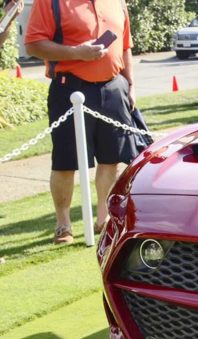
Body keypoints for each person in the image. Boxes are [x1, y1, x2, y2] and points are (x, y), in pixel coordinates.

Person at [24, 0, 138, 244]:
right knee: (66, 161)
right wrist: (76, 53)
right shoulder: (50, 2)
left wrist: (130, 84)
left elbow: (125, 45)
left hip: (113, 86)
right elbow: (33, 44)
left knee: (111, 157)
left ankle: (103, 219)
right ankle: (63, 225)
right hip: (69, 87)